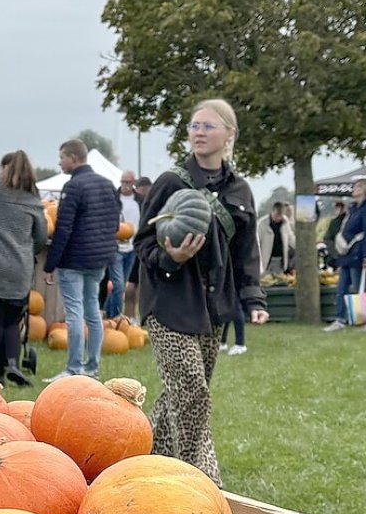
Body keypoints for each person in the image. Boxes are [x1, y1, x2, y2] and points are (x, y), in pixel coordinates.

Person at [132, 98, 269, 486]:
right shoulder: (171, 183)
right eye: (193, 126)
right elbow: (142, 243)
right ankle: (201, 481)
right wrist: (171, 257)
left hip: (214, 307)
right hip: (170, 302)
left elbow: (247, 252)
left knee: (182, 393)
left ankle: (146, 463)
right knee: (192, 392)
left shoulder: (240, 189)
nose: (198, 132)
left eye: (208, 126)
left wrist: (253, 299)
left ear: (229, 135)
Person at [42, 138, 120, 380]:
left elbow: (63, 228)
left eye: (62, 157)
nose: (60, 162)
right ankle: (92, 367)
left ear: (73, 158)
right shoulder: (107, 184)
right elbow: (115, 223)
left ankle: (74, 368)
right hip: (99, 259)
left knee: (74, 311)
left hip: (74, 259)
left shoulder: (73, 187)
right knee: (93, 311)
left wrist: (50, 263)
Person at [0, 150, 48, 386]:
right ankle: (14, 364)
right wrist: (27, 249)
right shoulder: (34, 200)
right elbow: (41, 236)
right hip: (20, 267)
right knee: (12, 322)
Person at [325, 179, 366, 332]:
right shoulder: (354, 208)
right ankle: (340, 319)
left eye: (358, 187)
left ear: (365, 190)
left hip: (359, 254)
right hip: (347, 254)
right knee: (342, 288)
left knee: (360, 287)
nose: (354, 189)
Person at [104, 170, 140, 319]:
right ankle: (116, 316)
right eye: (122, 182)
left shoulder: (140, 200)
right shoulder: (113, 199)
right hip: (116, 247)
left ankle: (108, 313)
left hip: (132, 248)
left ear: (133, 183)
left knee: (121, 284)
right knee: (118, 285)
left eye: (127, 182)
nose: (124, 185)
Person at [123, 176, 152, 320]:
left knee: (137, 284)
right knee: (132, 284)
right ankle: (131, 317)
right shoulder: (138, 203)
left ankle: (138, 317)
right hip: (134, 246)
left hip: (142, 246)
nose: (144, 195)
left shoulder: (148, 204)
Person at [322, 200, 348, 271]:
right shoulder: (333, 222)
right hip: (335, 253)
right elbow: (327, 238)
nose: (338, 210)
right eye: (337, 208)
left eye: (340, 208)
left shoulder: (349, 220)